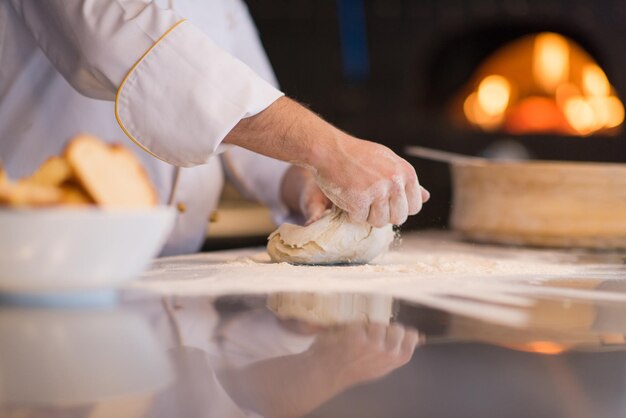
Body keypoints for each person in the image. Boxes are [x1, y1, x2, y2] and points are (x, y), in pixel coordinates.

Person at [0, 0, 429, 255]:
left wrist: (305, 181)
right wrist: (329, 150)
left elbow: (249, 110)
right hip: (38, 262)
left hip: (169, 277)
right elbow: (121, 40)